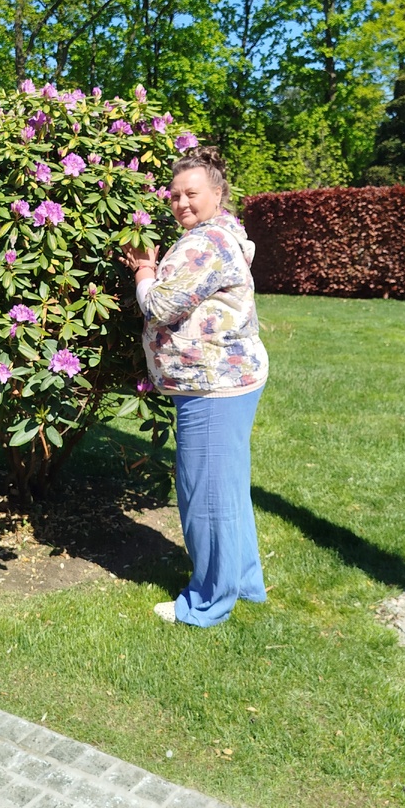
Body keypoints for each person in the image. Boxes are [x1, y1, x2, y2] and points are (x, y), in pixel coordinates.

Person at [122, 147, 269, 627]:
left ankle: (207, 603)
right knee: (226, 492)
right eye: (175, 195)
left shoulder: (205, 243)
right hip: (229, 379)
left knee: (205, 498)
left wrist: (144, 269)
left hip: (212, 386)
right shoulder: (221, 233)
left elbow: (160, 306)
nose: (182, 203)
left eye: (192, 193)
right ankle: (243, 582)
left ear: (218, 193)